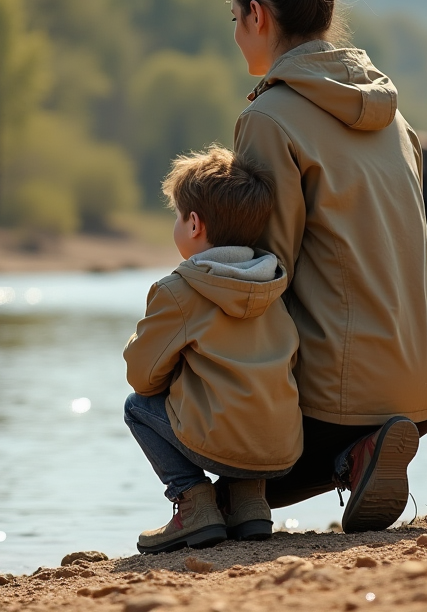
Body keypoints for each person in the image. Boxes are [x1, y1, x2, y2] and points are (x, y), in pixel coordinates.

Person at [225, 0, 427, 533]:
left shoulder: (270, 117)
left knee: (184, 364)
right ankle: (360, 453)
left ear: (257, 15)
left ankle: (347, 452)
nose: (236, 34)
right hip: (426, 391)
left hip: (343, 399)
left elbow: (264, 271)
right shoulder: (393, 116)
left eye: (235, 20)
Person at [123, 145, 303, 554]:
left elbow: (142, 376)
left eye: (176, 216)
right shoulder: (276, 284)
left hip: (219, 444)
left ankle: (193, 503)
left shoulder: (180, 291)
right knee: (246, 388)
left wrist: (145, 348)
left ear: (193, 224)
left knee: (137, 405)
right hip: (280, 448)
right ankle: (249, 504)